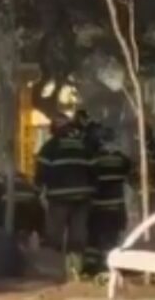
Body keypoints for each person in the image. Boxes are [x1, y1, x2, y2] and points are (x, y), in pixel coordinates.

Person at [35, 115, 95, 277]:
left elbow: (41, 173)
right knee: (78, 236)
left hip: (59, 199)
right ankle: (75, 271)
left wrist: (37, 192)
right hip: (82, 199)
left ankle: (53, 271)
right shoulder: (83, 146)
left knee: (54, 235)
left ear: (54, 129)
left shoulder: (50, 147)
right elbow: (93, 171)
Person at [84, 126, 132, 276]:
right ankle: (112, 265)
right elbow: (130, 173)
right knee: (112, 237)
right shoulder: (121, 159)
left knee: (94, 238)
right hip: (117, 206)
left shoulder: (93, 159)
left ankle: (92, 267)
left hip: (98, 207)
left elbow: (89, 178)